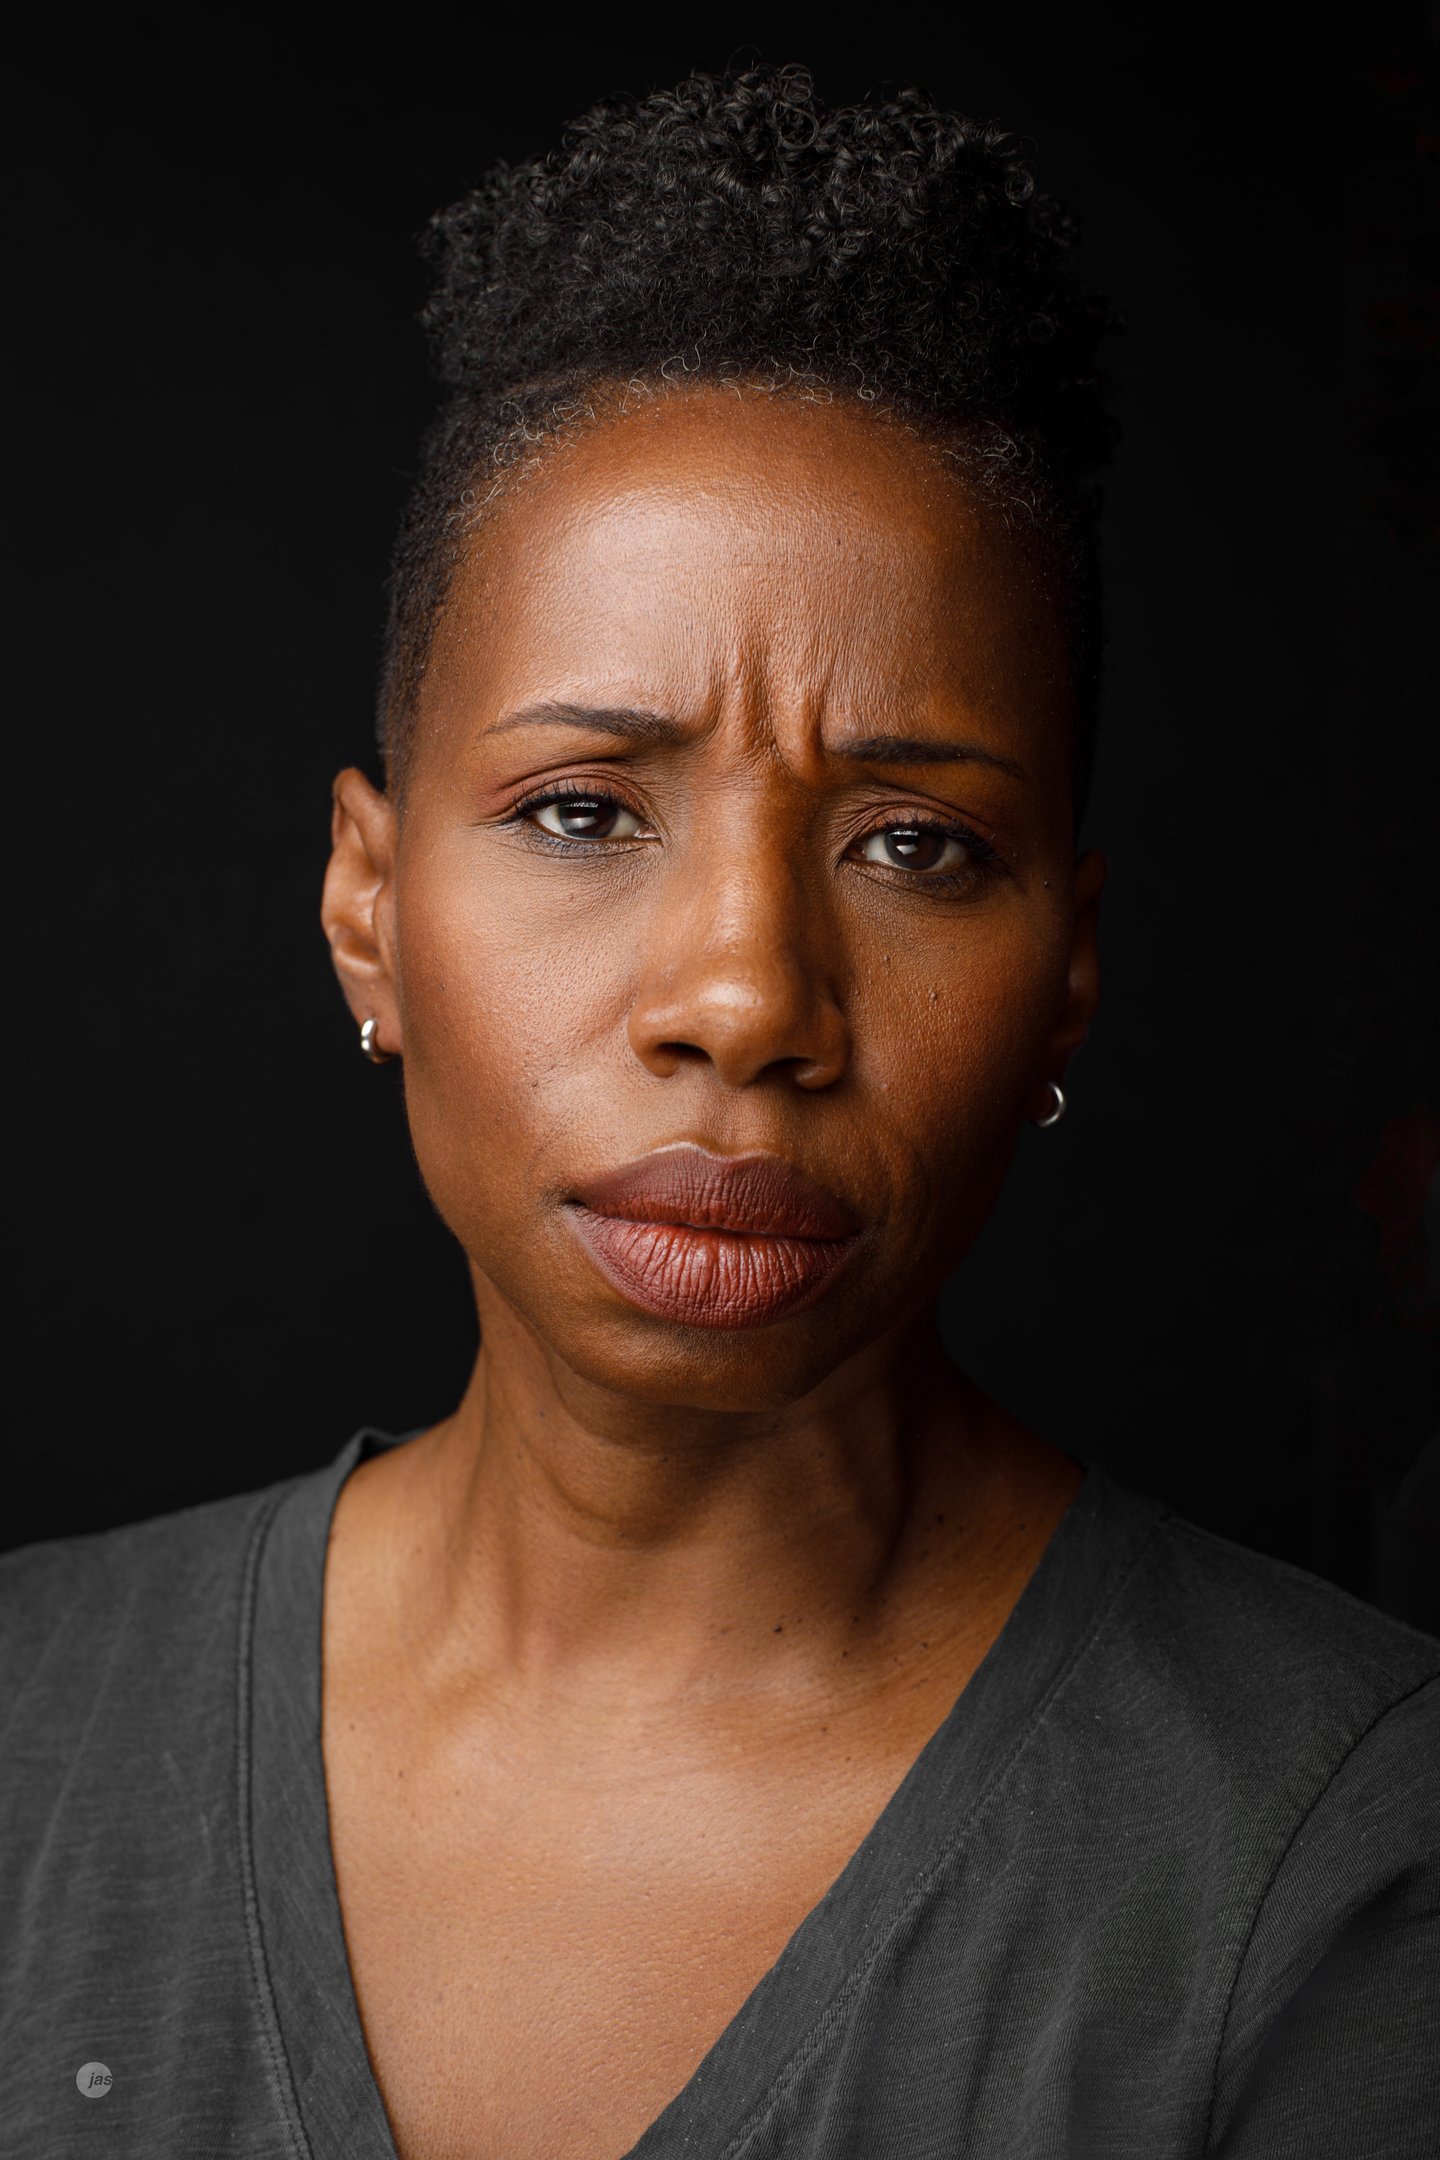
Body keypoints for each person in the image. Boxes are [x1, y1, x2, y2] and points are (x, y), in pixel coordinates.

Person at [2, 62, 1436, 2160]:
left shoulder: (1340, 1862)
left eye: (915, 845)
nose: (749, 1001)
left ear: (1069, 970)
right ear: (367, 909)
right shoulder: (25, 1726)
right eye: (585, 811)